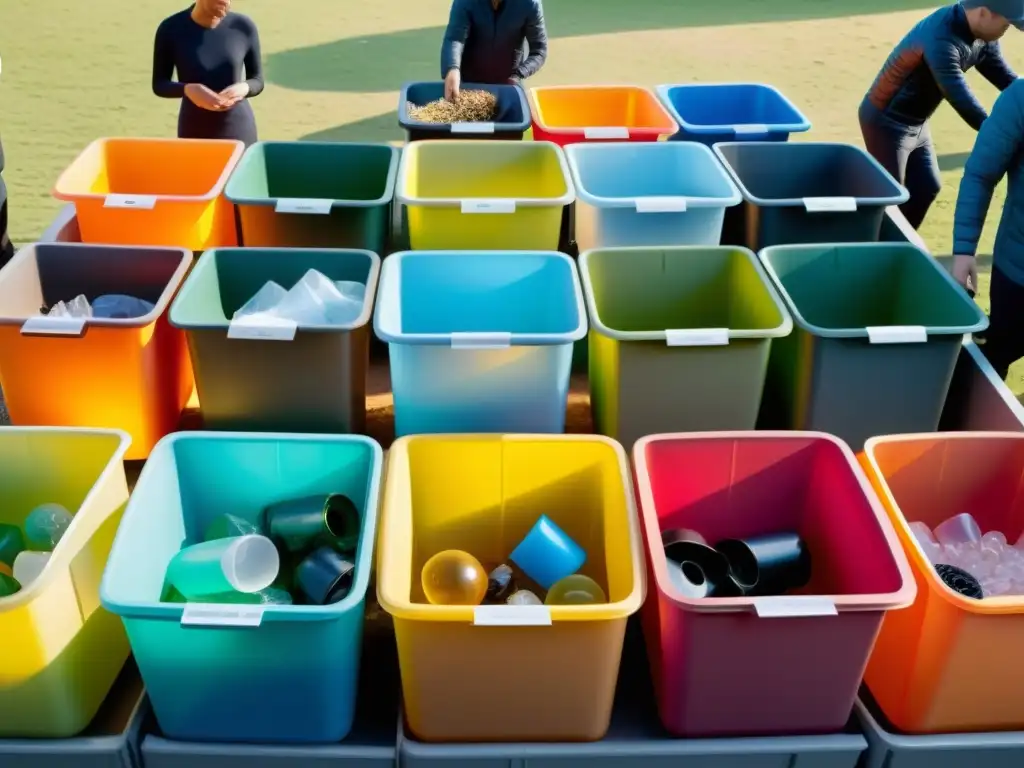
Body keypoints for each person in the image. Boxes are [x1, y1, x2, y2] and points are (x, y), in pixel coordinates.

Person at [859, 0, 1024, 231]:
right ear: (984, 13)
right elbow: (961, 99)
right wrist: (1003, 136)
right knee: (891, 198)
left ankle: (898, 242)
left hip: (917, 122)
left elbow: (1006, 80)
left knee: (927, 186)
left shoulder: (985, 37)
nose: (1005, 32)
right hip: (885, 123)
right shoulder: (941, 39)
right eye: (1006, 25)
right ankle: (872, 249)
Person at [952, 78, 1024, 379]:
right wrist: (964, 250)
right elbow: (980, 174)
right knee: (994, 358)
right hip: (1018, 273)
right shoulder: (1020, 98)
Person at [152, 0, 264, 146]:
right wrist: (188, 89)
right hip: (194, 129)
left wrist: (244, 88)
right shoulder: (170, 29)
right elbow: (159, 84)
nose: (226, 4)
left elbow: (257, 80)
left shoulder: (244, 26)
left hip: (239, 129)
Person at [441, 0, 548, 102]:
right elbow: (455, 38)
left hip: (509, 84)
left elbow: (538, 51)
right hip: (468, 84)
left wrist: (518, 74)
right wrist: (452, 68)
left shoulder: (529, 3)